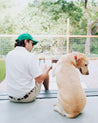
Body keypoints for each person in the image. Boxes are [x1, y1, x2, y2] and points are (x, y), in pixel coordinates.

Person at [5, 33, 52, 103]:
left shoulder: (9, 54)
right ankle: (47, 91)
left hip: (11, 96)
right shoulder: (30, 56)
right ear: (26, 41)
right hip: (26, 97)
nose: (33, 47)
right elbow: (39, 79)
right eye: (32, 43)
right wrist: (48, 69)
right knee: (44, 67)